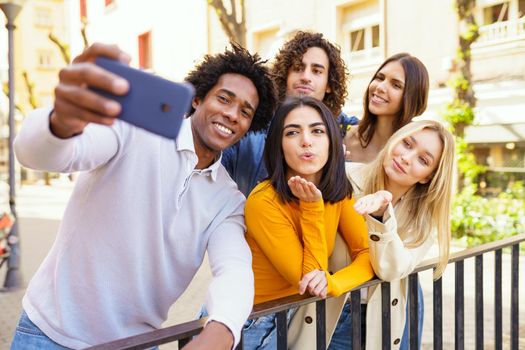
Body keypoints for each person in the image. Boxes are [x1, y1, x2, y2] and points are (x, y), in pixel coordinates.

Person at [11, 43, 277, 349]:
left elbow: (234, 269)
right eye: (224, 99)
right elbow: (44, 155)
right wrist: (61, 122)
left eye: (245, 112)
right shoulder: (133, 130)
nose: (232, 114)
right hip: (48, 335)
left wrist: (223, 329)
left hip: (136, 344)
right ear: (199, 98)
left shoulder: (227, 200)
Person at [242, 96, 375, 349]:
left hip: (297, 317)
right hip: (254, 323)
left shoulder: (338, 192)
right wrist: (312, 207)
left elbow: (367, 253)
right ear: (278, 146)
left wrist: (334, 283)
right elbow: (305, 281)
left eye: (317, 131)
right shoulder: (263, 201)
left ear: (331, 141)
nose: (306, 140)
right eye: (292, 132)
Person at [346, 119, 455, 350]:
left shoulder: (425, 221)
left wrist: (380, 217)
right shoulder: (345, 178)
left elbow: (391, 269)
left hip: (384, 319)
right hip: (334, 314)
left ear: (427, 176)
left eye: (423, 160)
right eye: (407, 143)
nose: (406, 157)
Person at [222, 31, 358, 197]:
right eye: (298, 68)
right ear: (286, 75)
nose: (306, 77)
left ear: (329, 83)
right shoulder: (252, 124)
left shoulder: (340, 127)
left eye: (316, 71)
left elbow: (373, 131)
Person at [343, 53, 429, 163]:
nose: (380, 87)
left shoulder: (412, 156)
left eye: (396, 85)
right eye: (380, 78)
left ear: (412, 99)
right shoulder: (344, 134)